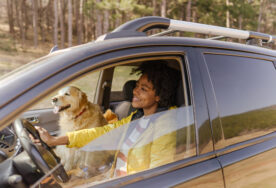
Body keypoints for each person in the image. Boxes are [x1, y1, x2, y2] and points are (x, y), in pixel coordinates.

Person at [34, 60, 180, 177]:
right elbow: (102, 132)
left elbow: (158, 177)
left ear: (159, 96)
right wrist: (55, 140)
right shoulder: (137, 117)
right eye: (136, 85)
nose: (134, 90)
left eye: (143, 89)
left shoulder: (165, 127)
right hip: (114, 176)